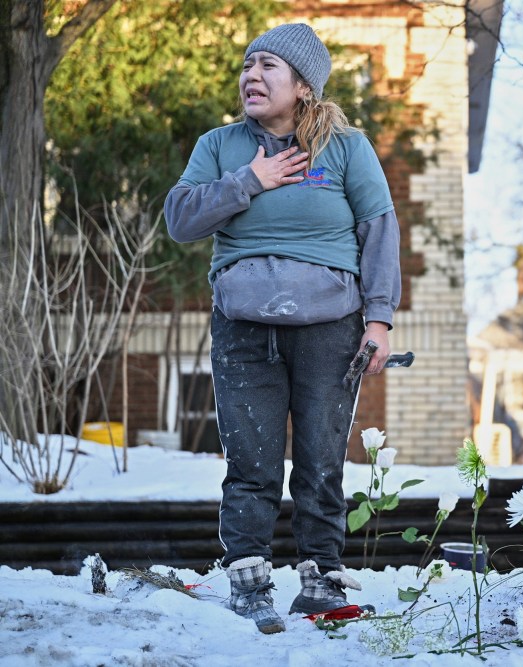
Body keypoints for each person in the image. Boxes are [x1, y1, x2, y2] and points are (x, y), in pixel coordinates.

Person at [164, 23, 400, 634]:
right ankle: (247, 575)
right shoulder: (219, 145)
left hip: (331, 326)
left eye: (268, 65)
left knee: (321, 459)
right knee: (251, 459)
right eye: (247, 65)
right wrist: (251, 181)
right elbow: (181, 219)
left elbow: (379, 229)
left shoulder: (346, 148)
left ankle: (320, 579)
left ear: (302, 85)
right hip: (243, 326)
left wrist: (379, 320)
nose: (251, 75)